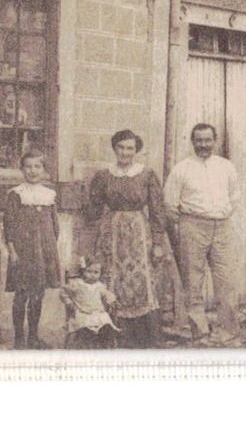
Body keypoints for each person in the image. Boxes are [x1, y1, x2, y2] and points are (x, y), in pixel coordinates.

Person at [86, 129, 173, 348]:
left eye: (130, 148)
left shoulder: (146, 175)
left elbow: (157, 210)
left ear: (136, 151)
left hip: (139, 234)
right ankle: (114, 336)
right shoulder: (104, 175)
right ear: (114, 148)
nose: (125, 152)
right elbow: (93, 209)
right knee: (112, 278)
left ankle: (144, 337)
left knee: (141, 280)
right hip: (112, 233)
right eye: (121, 147)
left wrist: (158, 243)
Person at [163, 123, 242, 345]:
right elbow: (170, 204)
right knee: (193, 281)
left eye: (208, 140)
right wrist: (188, 224)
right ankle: (199, 333)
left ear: (214, 141)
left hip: (222, 226)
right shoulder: (182, 169)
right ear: (192, 141)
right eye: (199, 140)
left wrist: (221, 216)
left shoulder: (226, 167)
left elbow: (234, 197)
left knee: (226, 281)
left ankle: (229, 334)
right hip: (193, 226)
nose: (203, 145)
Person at [2, 149, 60, 349]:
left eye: (37, 166)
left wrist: (50, 250)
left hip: (43, 252)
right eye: (28, 166)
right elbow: (8, 224)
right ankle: (19, 338)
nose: (33, 171)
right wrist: (12, 250)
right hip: (23, 253)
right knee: (22, 294)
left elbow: (54, 226)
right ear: (22, 169)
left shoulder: (49, 195)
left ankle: (33, 337)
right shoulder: (16, 194)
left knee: (38, 294)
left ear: (44, 170)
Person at [61, 258, 120, 349]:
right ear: (83, 271)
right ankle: (88, 345)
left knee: (106, 325)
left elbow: (107, 294)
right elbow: (63, 292)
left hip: (99, 313)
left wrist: (112, 301)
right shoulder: (77, 284)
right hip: (82, 313)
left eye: (96, 272)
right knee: (85, 329)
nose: (92, 275)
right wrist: (69, 303)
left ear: (100, 274)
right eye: (89, 271)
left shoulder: (100, 286)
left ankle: (103, 346)